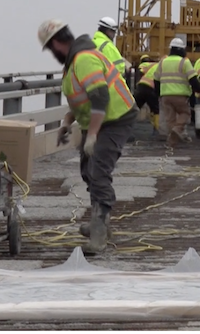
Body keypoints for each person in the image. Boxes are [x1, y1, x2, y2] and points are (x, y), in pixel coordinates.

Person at [37, 18, 138, 255]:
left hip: (116, 118)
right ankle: (98, 222)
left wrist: (92, 135)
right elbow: (81, 97)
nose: (53, 55)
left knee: (99, 171)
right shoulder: (73, 63)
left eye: (51, 50)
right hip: (100, 120)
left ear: (55, 44)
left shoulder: (84, 60)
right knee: (87, 169)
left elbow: (101, 97)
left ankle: (99, 233)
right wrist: (67, 122)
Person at [153, 38, 200, 147]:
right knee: (185, 114)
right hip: (180, 95)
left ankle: (172, 142)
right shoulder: (184, 62)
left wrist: (158, 94)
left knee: (170, 119)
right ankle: (177, 130)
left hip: (165, 96)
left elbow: (156, 80)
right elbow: (193, 79)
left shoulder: (163, 62)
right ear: (182, 50)